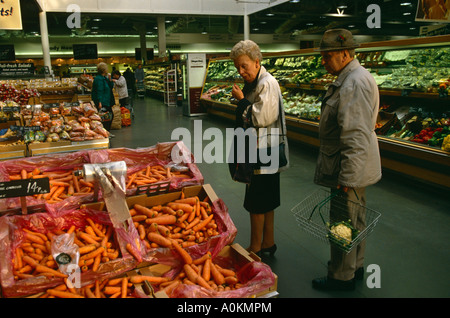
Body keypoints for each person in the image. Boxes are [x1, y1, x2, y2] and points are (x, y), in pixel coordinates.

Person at [312, 29, 382, 291]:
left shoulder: (353, 82)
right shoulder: (352, 77)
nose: (323, 61)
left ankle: (341, 277)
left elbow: (354, 136)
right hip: (352, 165)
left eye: (327, 56)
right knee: (356, 219)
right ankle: (356, 265)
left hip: (348, 166)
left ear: (344, 54)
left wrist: (348, 177)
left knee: (343, 223)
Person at [230, 40, 289, 257]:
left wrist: (242, 101)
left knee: (256, 202)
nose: (241, 71)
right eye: (238, 67)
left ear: (257, 62)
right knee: (267, 200)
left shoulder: (267, 83)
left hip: (264, 150)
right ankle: (268, 244)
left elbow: (262, 117)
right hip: (263, 149)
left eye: (244, 66)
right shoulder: (258, 82)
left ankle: (255, 248)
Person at [91, 62, 115, 133]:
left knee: (108, 116)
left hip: (107, 100)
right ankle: (105, 132)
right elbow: (100, 90)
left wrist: (110, 80)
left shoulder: (105, 78)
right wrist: (99, 102)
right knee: (106, 117)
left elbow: (110, 87)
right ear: (104, 70)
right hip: (103, 101)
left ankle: (106, 132)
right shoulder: (99, 79)